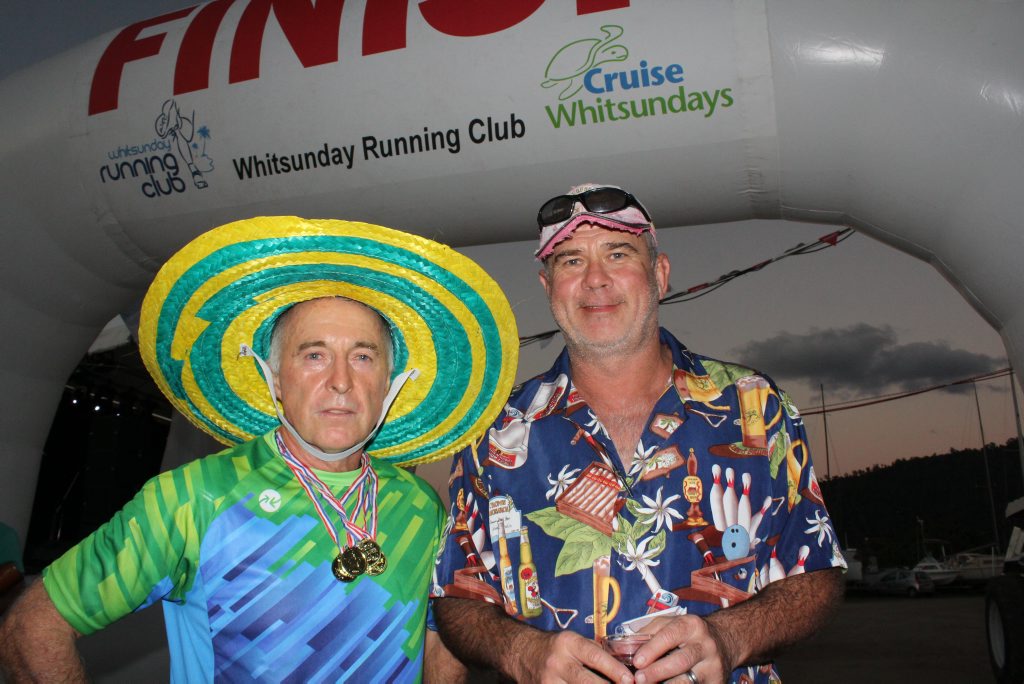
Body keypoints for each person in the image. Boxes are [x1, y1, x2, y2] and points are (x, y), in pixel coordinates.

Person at [0, 217, 518, 683]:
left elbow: (433, 634)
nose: (341, 382)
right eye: (314, 355)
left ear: (390, 383)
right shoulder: (196, 497)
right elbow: (32, 627)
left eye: (363, 357)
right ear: (273, 379)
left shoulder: (420, 507)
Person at [431, 185, 846, 683]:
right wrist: (522, 650)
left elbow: (815, 571)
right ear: (548, 287)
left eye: (618, 253)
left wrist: (730, 637)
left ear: (660, 274)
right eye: (570, 261)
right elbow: (458, 597)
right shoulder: (496, 432)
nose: (595, 280)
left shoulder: (752, 404)